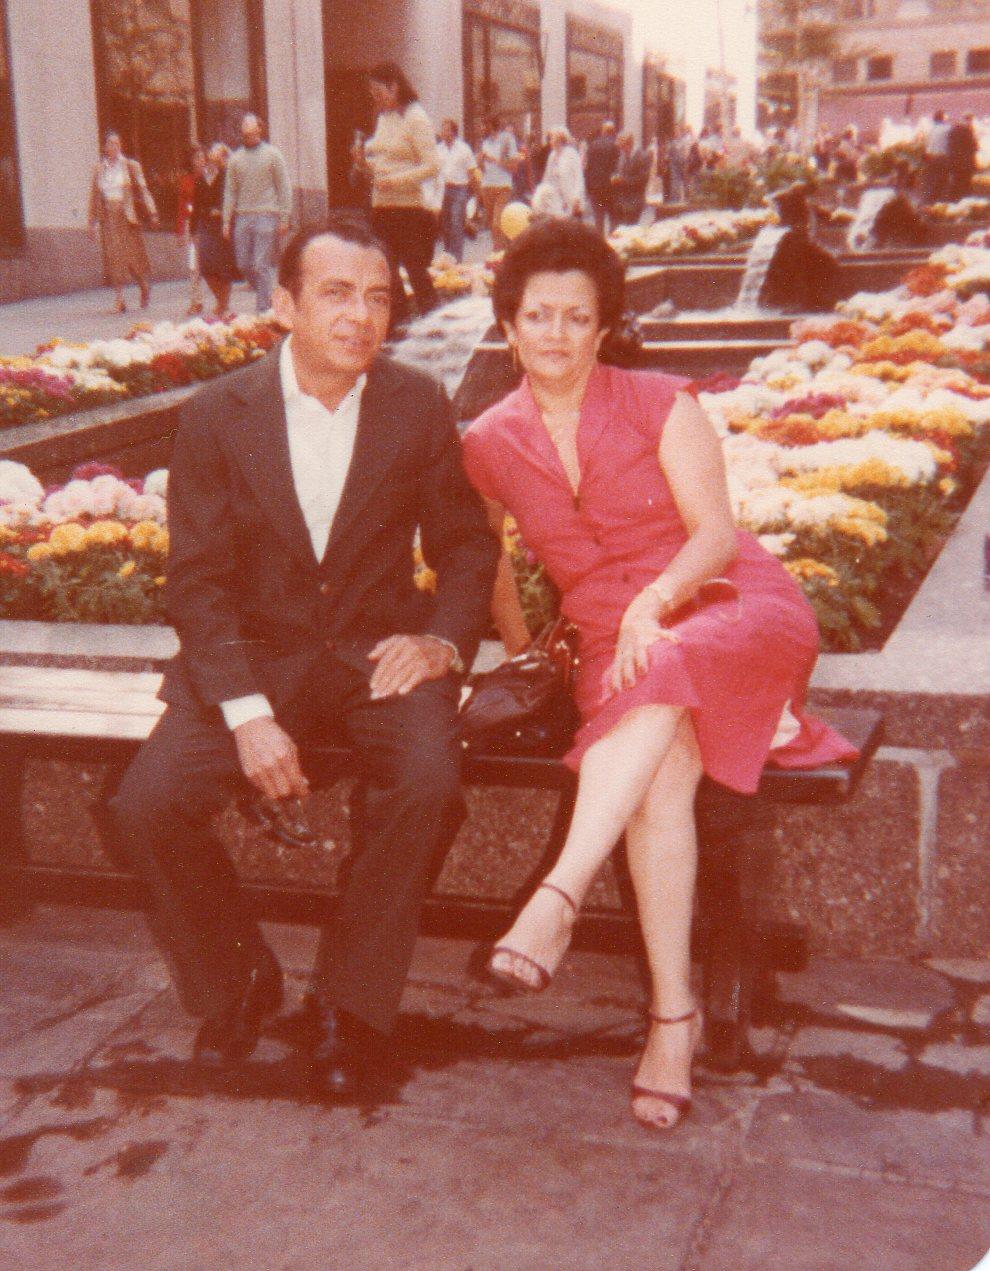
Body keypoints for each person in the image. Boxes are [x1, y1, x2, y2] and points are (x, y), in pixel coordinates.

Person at [459, 219, 857, 1130]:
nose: (555, 333)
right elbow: (485, 559)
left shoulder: (660, 402)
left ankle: (556, 895)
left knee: (666, 664)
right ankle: (671, 1020)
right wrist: (526, 647)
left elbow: (715, 532)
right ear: (509, 326)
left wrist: (655, 602)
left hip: (726, 602)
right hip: (612, 643)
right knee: (660, 770)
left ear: (603, 329)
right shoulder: (487, 439)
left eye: (577, 317)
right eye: (537, 316)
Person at [107, 214, 499, 1095]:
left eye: (377, 297)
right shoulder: (218, 413)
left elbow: (468, 546)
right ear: (283, 304)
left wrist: (441, 641)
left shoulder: (416, 402)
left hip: (378, 656)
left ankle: (351, 1004)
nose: (361, 315)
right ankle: (239, 979)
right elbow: (197, 583)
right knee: (146, 803)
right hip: (254, 659)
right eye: (335, 294)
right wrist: (247, 714)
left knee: (430, 782)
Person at [359, 61, 441, 325]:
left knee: (415, 269)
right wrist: (363, 162)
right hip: (381, 205)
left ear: (394, 86)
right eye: (372, 95)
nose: (376, 99)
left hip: (408, 207)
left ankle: (434, 322)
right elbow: (382, 160)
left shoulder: (416, 118)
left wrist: (396, 181)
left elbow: (432, 166)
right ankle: (399, 322)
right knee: (385, 268)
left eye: (379, 92)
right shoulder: (385, 118)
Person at [222, 113, 292, 312]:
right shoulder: (235, 159)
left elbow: (283, 186)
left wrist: (284, 217)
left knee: (261, 264)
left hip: (267, 215)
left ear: (260, 130)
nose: (249, 137)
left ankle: (264, 310)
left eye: (253, 133)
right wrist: (226, 221)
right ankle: (265, 289)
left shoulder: (273, 154)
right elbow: (230, 191)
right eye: (246, 134)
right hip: (243, 216)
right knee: (243, 264)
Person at [87, 130, 159, 313]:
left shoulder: (130, 166)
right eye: (110, 143)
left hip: (126, 216)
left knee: (131, 256)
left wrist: (152, 212)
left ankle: (143, 284)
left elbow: (143, 189)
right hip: (108, 217)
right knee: (114, 257)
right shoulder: (99, 169)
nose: (114, 147)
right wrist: (91, 222)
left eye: (117, 143)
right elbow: (94, 196)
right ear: (104, 147)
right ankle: (120, 299)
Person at [190, 142, 238, 317]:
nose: (213, 154)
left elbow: (233, 197)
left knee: (224, 268)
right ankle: (222, 303)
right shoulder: (202, 176)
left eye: (218, 152)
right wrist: (193, 230)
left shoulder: (228, 175)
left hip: (223, 225)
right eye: (212, 150)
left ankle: (224, 305)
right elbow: (196, 204)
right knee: (205, 267)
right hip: (205, 225)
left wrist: (223, 211)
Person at [477, 115, 518, 251]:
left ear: (491, 126)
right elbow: (482, 169)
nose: (481, 129)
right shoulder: (484, 142)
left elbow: (513, 166)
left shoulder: (507, 140)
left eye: (484, 126)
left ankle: (500, 254)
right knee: (492, 226)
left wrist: (493, 159)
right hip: (487, 185)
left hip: (503, 186)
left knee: (497, 224)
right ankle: (503, 252)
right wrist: (480, 162)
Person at [437, 119, 474, 262]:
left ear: (452, 132)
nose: (442, 132)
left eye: (445, 129)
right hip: (442, 189)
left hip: (459, 189)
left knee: (456, 222)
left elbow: (471, 170)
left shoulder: (464, 149)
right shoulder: (438, 149)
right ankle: (448, 257)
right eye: (442, 129)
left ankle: (456, 260)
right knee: (445, 224)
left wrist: (469, 191)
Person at [177, 145, 206, 316]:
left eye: (203, 157)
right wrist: (180, 231)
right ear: (191, 161)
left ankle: (221, 300)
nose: (201, 161)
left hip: (209, 225)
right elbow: (181, 207)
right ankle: (196, 300)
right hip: (193, 224)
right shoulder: (186, 180)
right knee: (194, 265)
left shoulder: (210, 177)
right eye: (197, 158)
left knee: (210, 264)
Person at [533, 129, 585, 220]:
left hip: (570, 198)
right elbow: (547, 177)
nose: (550, 142)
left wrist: (577, 198)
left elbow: (579, 178)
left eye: (552, 139)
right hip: (555, 199)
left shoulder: (571, 154)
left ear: (560, 140)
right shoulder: (552, 155)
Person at [584, 120, 620, 234]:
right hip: (611, 187)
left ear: (603, 131)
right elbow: (617, 166)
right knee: (614, 217)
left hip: (595, 188)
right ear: (613, 132)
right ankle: (613, 242)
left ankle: (600, 245)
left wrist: (588, 186)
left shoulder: (592, 145)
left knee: (598, 219)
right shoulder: (615, 145)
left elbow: (587, 167)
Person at [610, 132, 652, 226]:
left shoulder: (642, 156)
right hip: (621, 202)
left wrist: (622, 180)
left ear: (629, 144)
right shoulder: (622, 156)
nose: (621, 150)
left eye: (622, 146)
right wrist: (615, 176)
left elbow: (642, 180)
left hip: (634, 202)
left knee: (630, 230)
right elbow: (619, 171)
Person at [922, 110, 952, 204]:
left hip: (930, 157)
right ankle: (939, 202)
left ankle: (928, 201)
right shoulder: (946, 128)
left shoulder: (929, 129)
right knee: (942, 180)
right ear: (942, 118)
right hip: (941, 157)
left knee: (931, 180)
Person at [947, 113, 979, 202]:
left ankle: (953, 203)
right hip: (966, 163)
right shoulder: (968, 131)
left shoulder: (952, 131)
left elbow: (950, 146)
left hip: (955, 162)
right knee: (966, 185)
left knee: (956, 184)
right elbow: (975, 147)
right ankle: (965, 204)